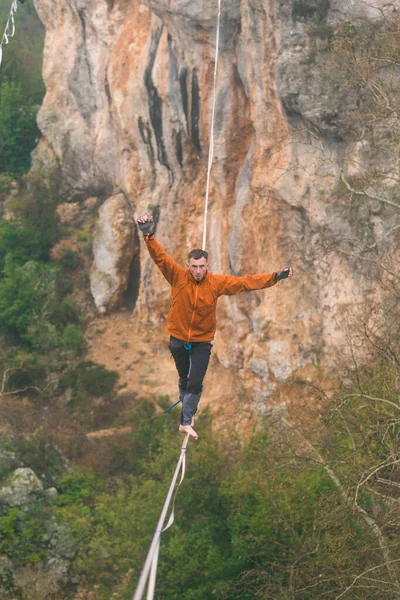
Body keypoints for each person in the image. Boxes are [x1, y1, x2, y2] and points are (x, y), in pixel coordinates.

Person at [137, 214, 294, 439]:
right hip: (178, 339)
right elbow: (159, 257)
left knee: (194, 382)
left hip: (201, 340)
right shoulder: (178, 277)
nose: (198, 271)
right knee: (184, 380)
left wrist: (275, 277)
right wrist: (147, 234)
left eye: (201, 267)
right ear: (188, 266)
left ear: (207, 266)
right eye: (194, 267)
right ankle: (187, 406)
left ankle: (186, 420)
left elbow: (245, 282)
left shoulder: (216, 283)